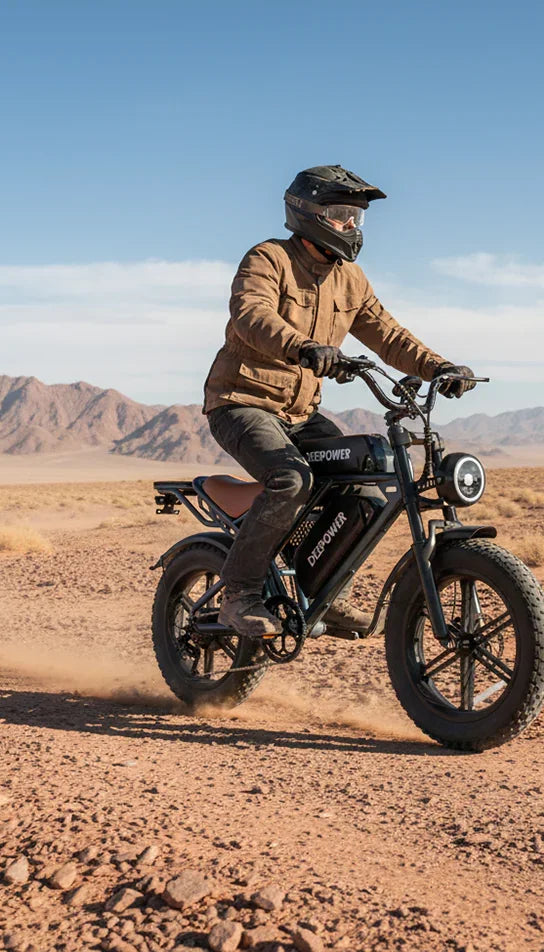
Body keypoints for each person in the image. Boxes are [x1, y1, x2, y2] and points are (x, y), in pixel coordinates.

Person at [202, 165, 475, 637]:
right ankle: (239, 594)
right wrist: (303, 347)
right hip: (242, 403)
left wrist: (438, 366)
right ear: (308, 213)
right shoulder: (268, 259)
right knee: (290, 479)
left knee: (363, 479)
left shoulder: (351, 278)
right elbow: (252, 315)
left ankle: (322, 590)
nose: (352, 225)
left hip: (300, 414)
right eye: (342, 214)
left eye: (357, 217)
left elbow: (387, 334)